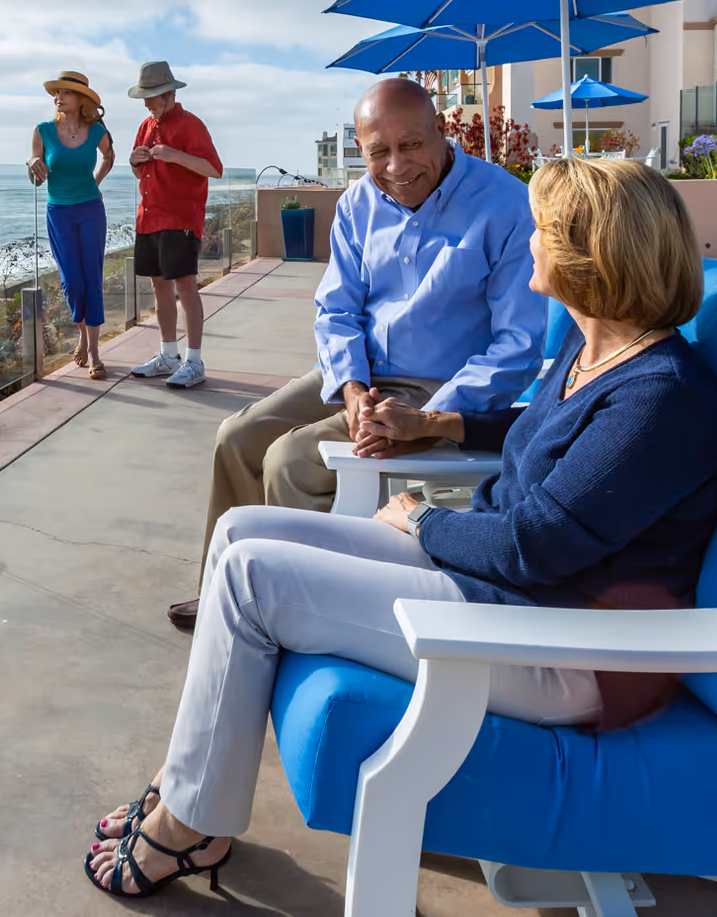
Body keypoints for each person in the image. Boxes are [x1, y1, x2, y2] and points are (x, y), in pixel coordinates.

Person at [84, 157, 717, 898]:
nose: (529, 240)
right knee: (238, 531)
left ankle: (190, 821)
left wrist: (424, 518)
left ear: (589, 254)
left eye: (543, 229)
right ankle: (187, 785)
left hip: (562, 645)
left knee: (250, 578)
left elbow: (536, 546)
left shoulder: (663, 399)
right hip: (499, 596)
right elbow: (547, 431)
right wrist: (439, 422)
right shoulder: (601, 353)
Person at [167, 76, 546, 632]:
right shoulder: (357, 205)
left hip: (440, 387)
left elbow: (517, 346)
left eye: (412, 145)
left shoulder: (506, 204)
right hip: (359, 373)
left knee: (291, 460)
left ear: (440, 132)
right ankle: (225, 587)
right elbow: (337, 310)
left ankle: (299, 614)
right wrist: (349, 387)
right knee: (237, 437)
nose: (396, 165)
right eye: (378, 152)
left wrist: (427, 420)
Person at [126, 61, 222, 390]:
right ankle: (169, 356)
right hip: (149, 216)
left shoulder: (191, 124)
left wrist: (174, 155)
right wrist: (136, 162)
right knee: (159, 286)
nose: (148, 103)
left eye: (152, 96)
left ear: (169, 93)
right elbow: (144, 174)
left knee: (186, 287)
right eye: (145, 97)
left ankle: (194, 362)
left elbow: (213, 168)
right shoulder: (145, 125)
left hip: (181, 218)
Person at [29, 71, 116, 378]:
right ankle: (83, 334)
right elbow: (35, 168)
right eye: (57, 92)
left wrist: (96, 180)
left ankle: (94, 353)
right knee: (72, 282)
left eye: (66, 92)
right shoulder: (43, 131)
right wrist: (32, 163)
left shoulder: (95, 131)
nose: (58, 97)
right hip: (60, 213)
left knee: (92, 278)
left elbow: (109, 156)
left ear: (81, 100)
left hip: (91, 209)